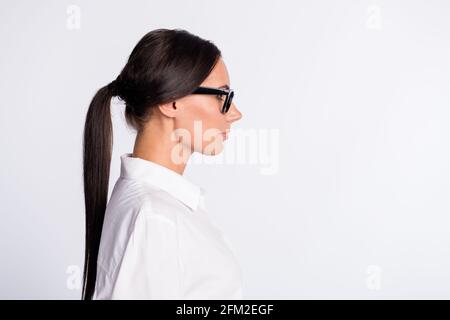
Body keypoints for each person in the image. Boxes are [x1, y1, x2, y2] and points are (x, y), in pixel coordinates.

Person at [82, 28, 243, 300]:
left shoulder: (158, 207)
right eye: (221, 96)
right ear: (171, 102)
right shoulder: (153, 217)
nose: (235, 114)